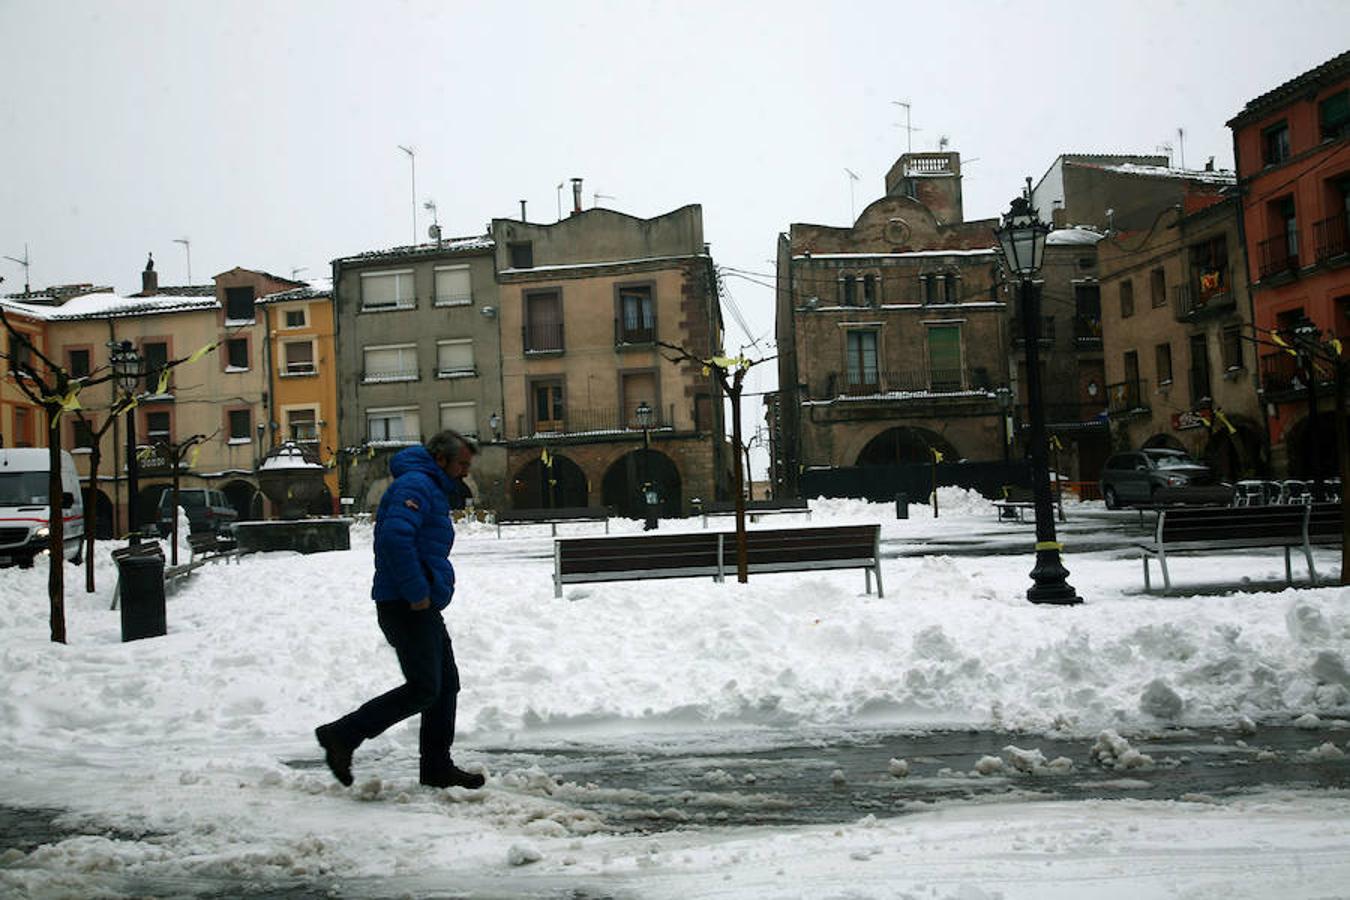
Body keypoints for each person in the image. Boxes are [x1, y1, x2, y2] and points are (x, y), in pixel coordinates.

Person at [316, 430, 485, 789]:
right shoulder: (416, 486)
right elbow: (394, 539)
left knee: (445, 684)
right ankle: (342, 734)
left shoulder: (428, 486)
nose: (464, 473)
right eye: (461, 464)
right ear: (441, 459)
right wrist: (417, 592)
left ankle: (437, 767)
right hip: (405, 603)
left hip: (416, 602)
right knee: (425, 688)